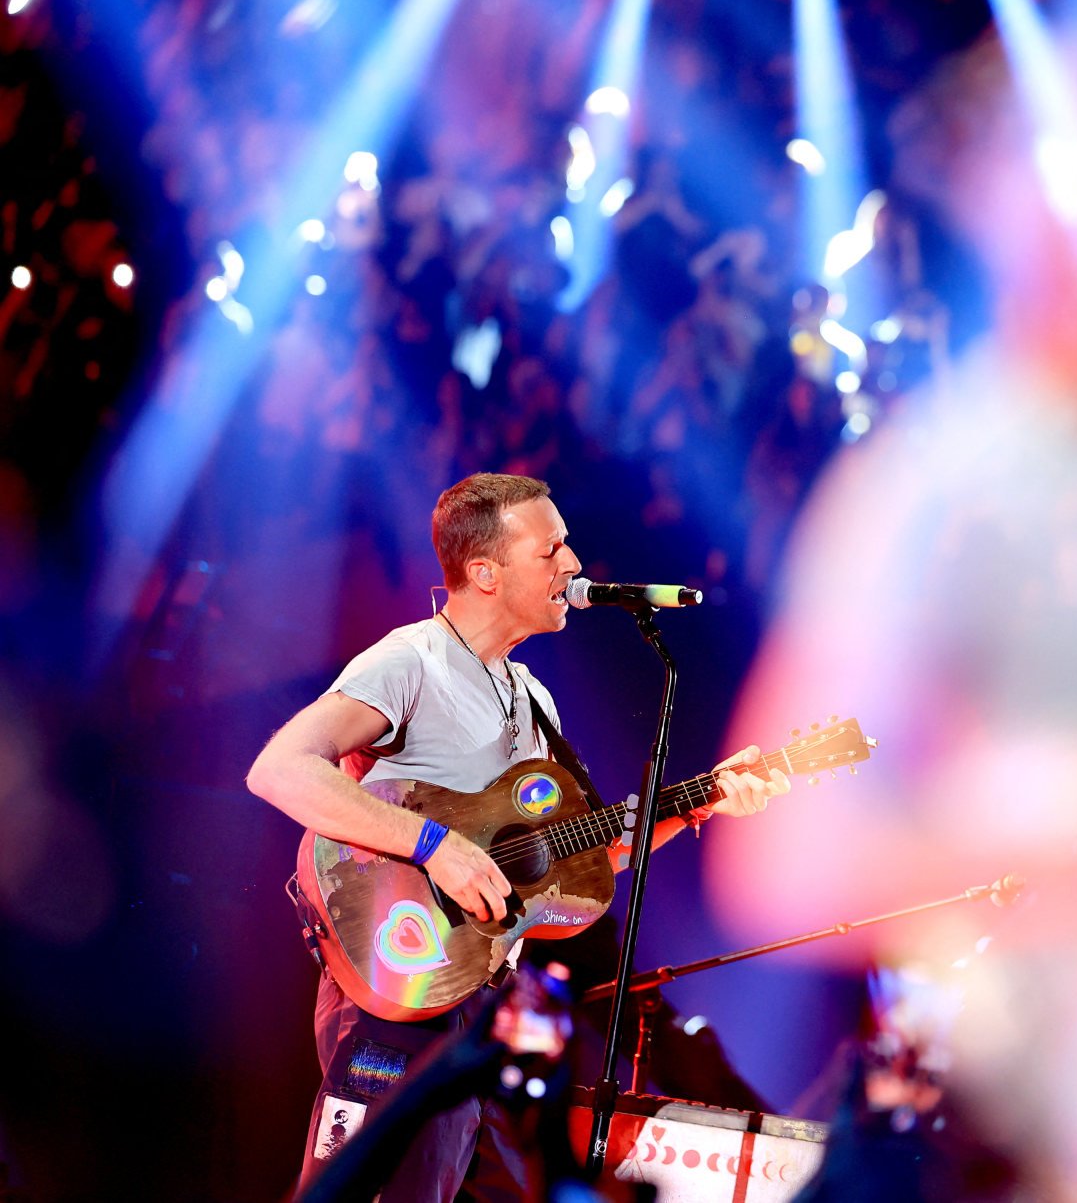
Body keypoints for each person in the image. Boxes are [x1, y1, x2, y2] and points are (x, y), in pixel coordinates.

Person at [247, 473, 790, 1202]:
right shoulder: (409, 662)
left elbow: (582, 860)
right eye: (552, 549)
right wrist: (437, 843)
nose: (573, 564)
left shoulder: (533, 696)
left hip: (493, 1017)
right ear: (484, 572)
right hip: (401, 994)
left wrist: (705, 800)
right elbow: (279, 769)